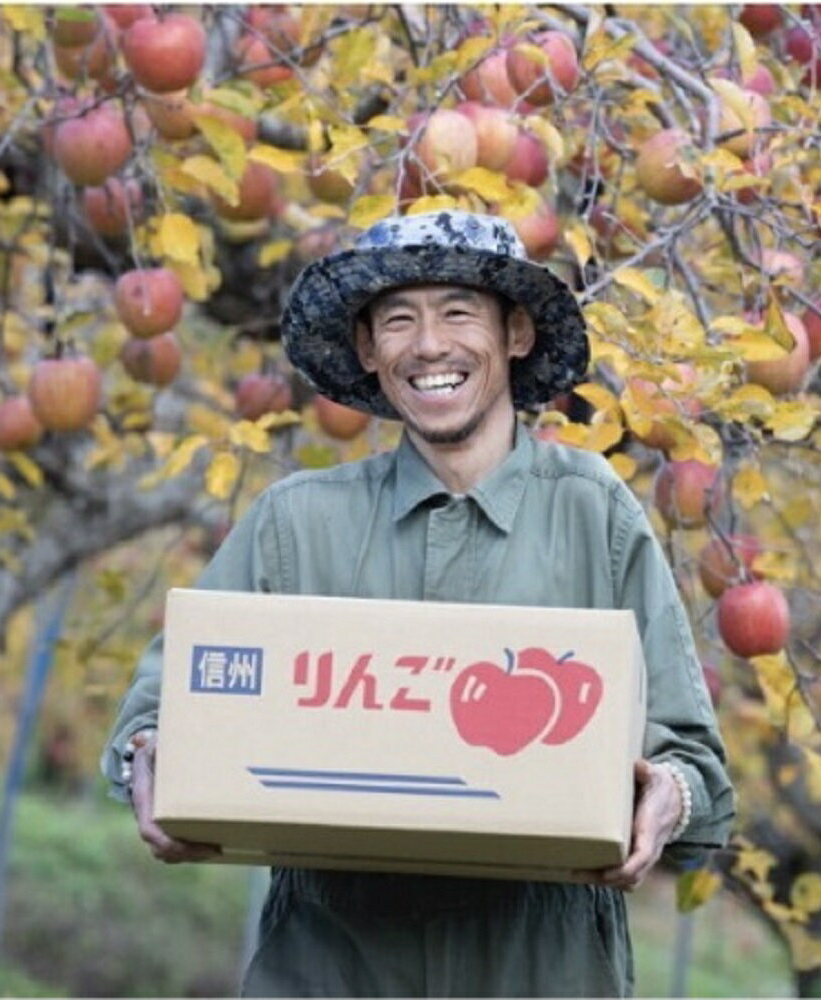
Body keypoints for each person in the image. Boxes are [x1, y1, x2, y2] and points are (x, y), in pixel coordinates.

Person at [102, 210, 734, 998]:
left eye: (458, 312)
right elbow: (156, 715)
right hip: (333, 965)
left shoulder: (593, 515)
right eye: (399, 320)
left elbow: (692, 760)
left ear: (515, 333)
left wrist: (670, 797)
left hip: (541, 964)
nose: (429, 345)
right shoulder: (297, 524)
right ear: (370, 350)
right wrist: (150, 759)